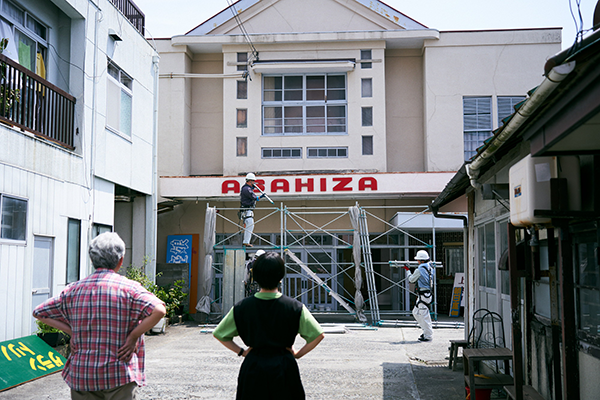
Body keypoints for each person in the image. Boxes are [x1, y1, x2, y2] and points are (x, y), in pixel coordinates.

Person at [33, 232, 166, 400]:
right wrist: (133, 336)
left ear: (92, 260)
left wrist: (72, 332)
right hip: (118, 374)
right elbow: (159, 310)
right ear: (120, 260)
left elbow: (39, 312)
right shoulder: (129, 288)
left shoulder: (73, 289)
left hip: (83, 374)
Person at [213, 252, 325, 400]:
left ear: (256, 276)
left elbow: (219, 334)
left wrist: (242, 352)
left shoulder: (242, 307)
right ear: (280, 276)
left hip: (253, 367)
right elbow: (318, 335)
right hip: (284, 366)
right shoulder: (295, 307)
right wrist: (297, 354)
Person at [403, 250, 434, 342]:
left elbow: (411, 279)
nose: (417, 262)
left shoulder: (419, 269)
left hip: (423, 295)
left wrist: (408, 271)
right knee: (415, 312)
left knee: (425, 316)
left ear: (421, 260)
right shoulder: (431, 268)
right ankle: (425, 332)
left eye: (418, 260)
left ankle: (428, 335)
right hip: (426, 294)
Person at [239, 172, 265, 247]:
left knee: (250, 225)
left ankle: (246, 241)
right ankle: (246, 242)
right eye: (253, 181)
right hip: (247, 210)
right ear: (250, 181)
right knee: (250, 225)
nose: (254, 183)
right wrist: (261, 196)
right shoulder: (246, 189)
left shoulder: (246, 188)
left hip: (247, 210)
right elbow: (255, 198)